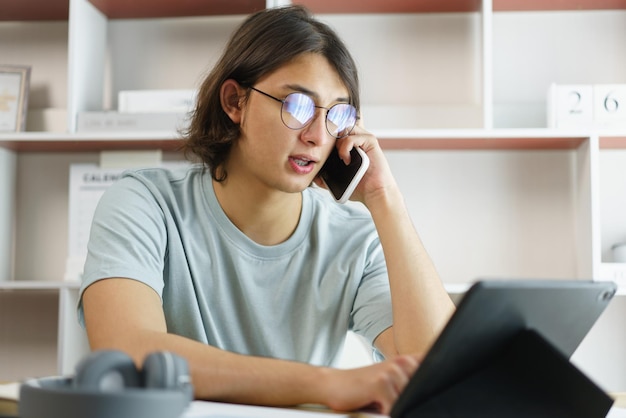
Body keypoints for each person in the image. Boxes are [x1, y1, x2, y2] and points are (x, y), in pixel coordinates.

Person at [78, 5, 455, 414]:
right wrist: (328, 384)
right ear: (235, 101)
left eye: (338, 114)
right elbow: (128, 349)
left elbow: (441, 372)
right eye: (297, 106)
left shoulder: (353, 239)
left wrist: (385, 199)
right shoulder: (144, 204)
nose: (316, 136)